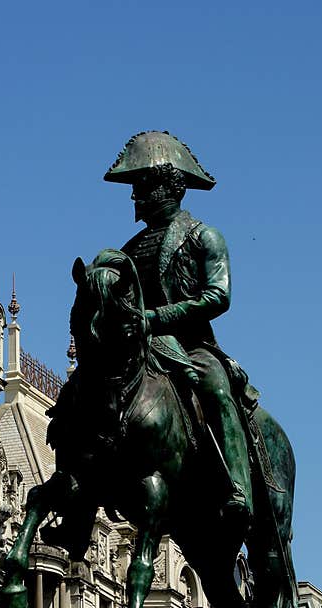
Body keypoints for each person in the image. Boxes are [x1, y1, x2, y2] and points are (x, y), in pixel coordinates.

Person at [105, 131, 252, 529]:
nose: (135, 196)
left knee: (218, 392)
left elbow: (217, 297)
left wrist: (156, 318)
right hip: (141, 347)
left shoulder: (204, 237)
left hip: (191, 346)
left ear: (170, 187)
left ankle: (239, 487)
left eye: (143, 187)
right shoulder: (130, 249)